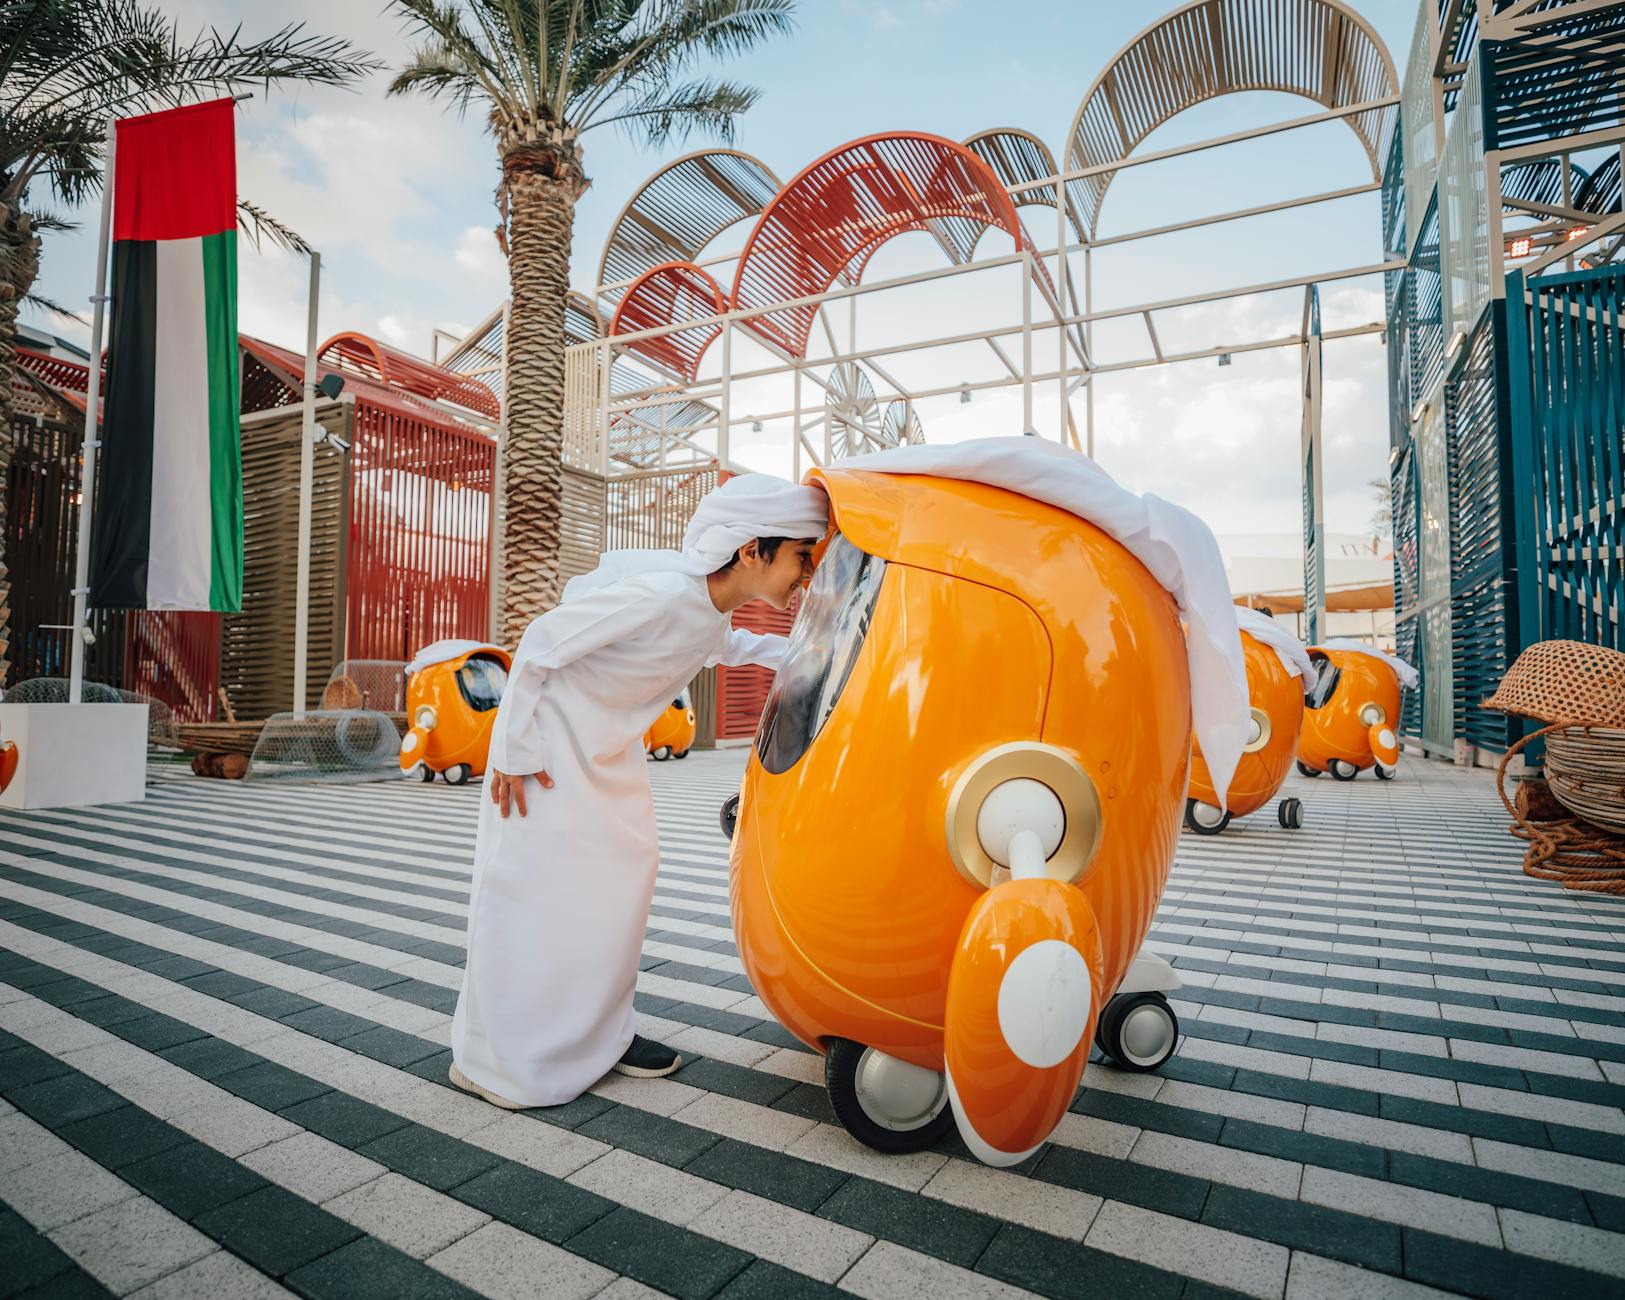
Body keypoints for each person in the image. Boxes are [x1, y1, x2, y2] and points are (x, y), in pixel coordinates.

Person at [449, 474, 829, 1110]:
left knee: (624, 878)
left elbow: (728, 645)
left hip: (608, 754)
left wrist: (816, 647)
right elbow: (541, 644)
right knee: (534, 893)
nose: (805, 575)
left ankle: (602, 1035)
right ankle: (501, 1058)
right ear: (751, 550)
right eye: (800, 557)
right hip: (545, 754)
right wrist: (511, 751)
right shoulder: (660, 594)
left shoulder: (710, 610)